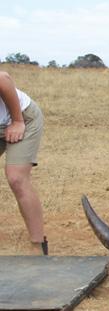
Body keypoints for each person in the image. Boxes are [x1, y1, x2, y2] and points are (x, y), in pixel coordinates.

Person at [0, 71, 47, 255]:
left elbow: (3, 78)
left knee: (16, 178)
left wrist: (17, 121)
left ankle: (37, 246)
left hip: (22, 117)